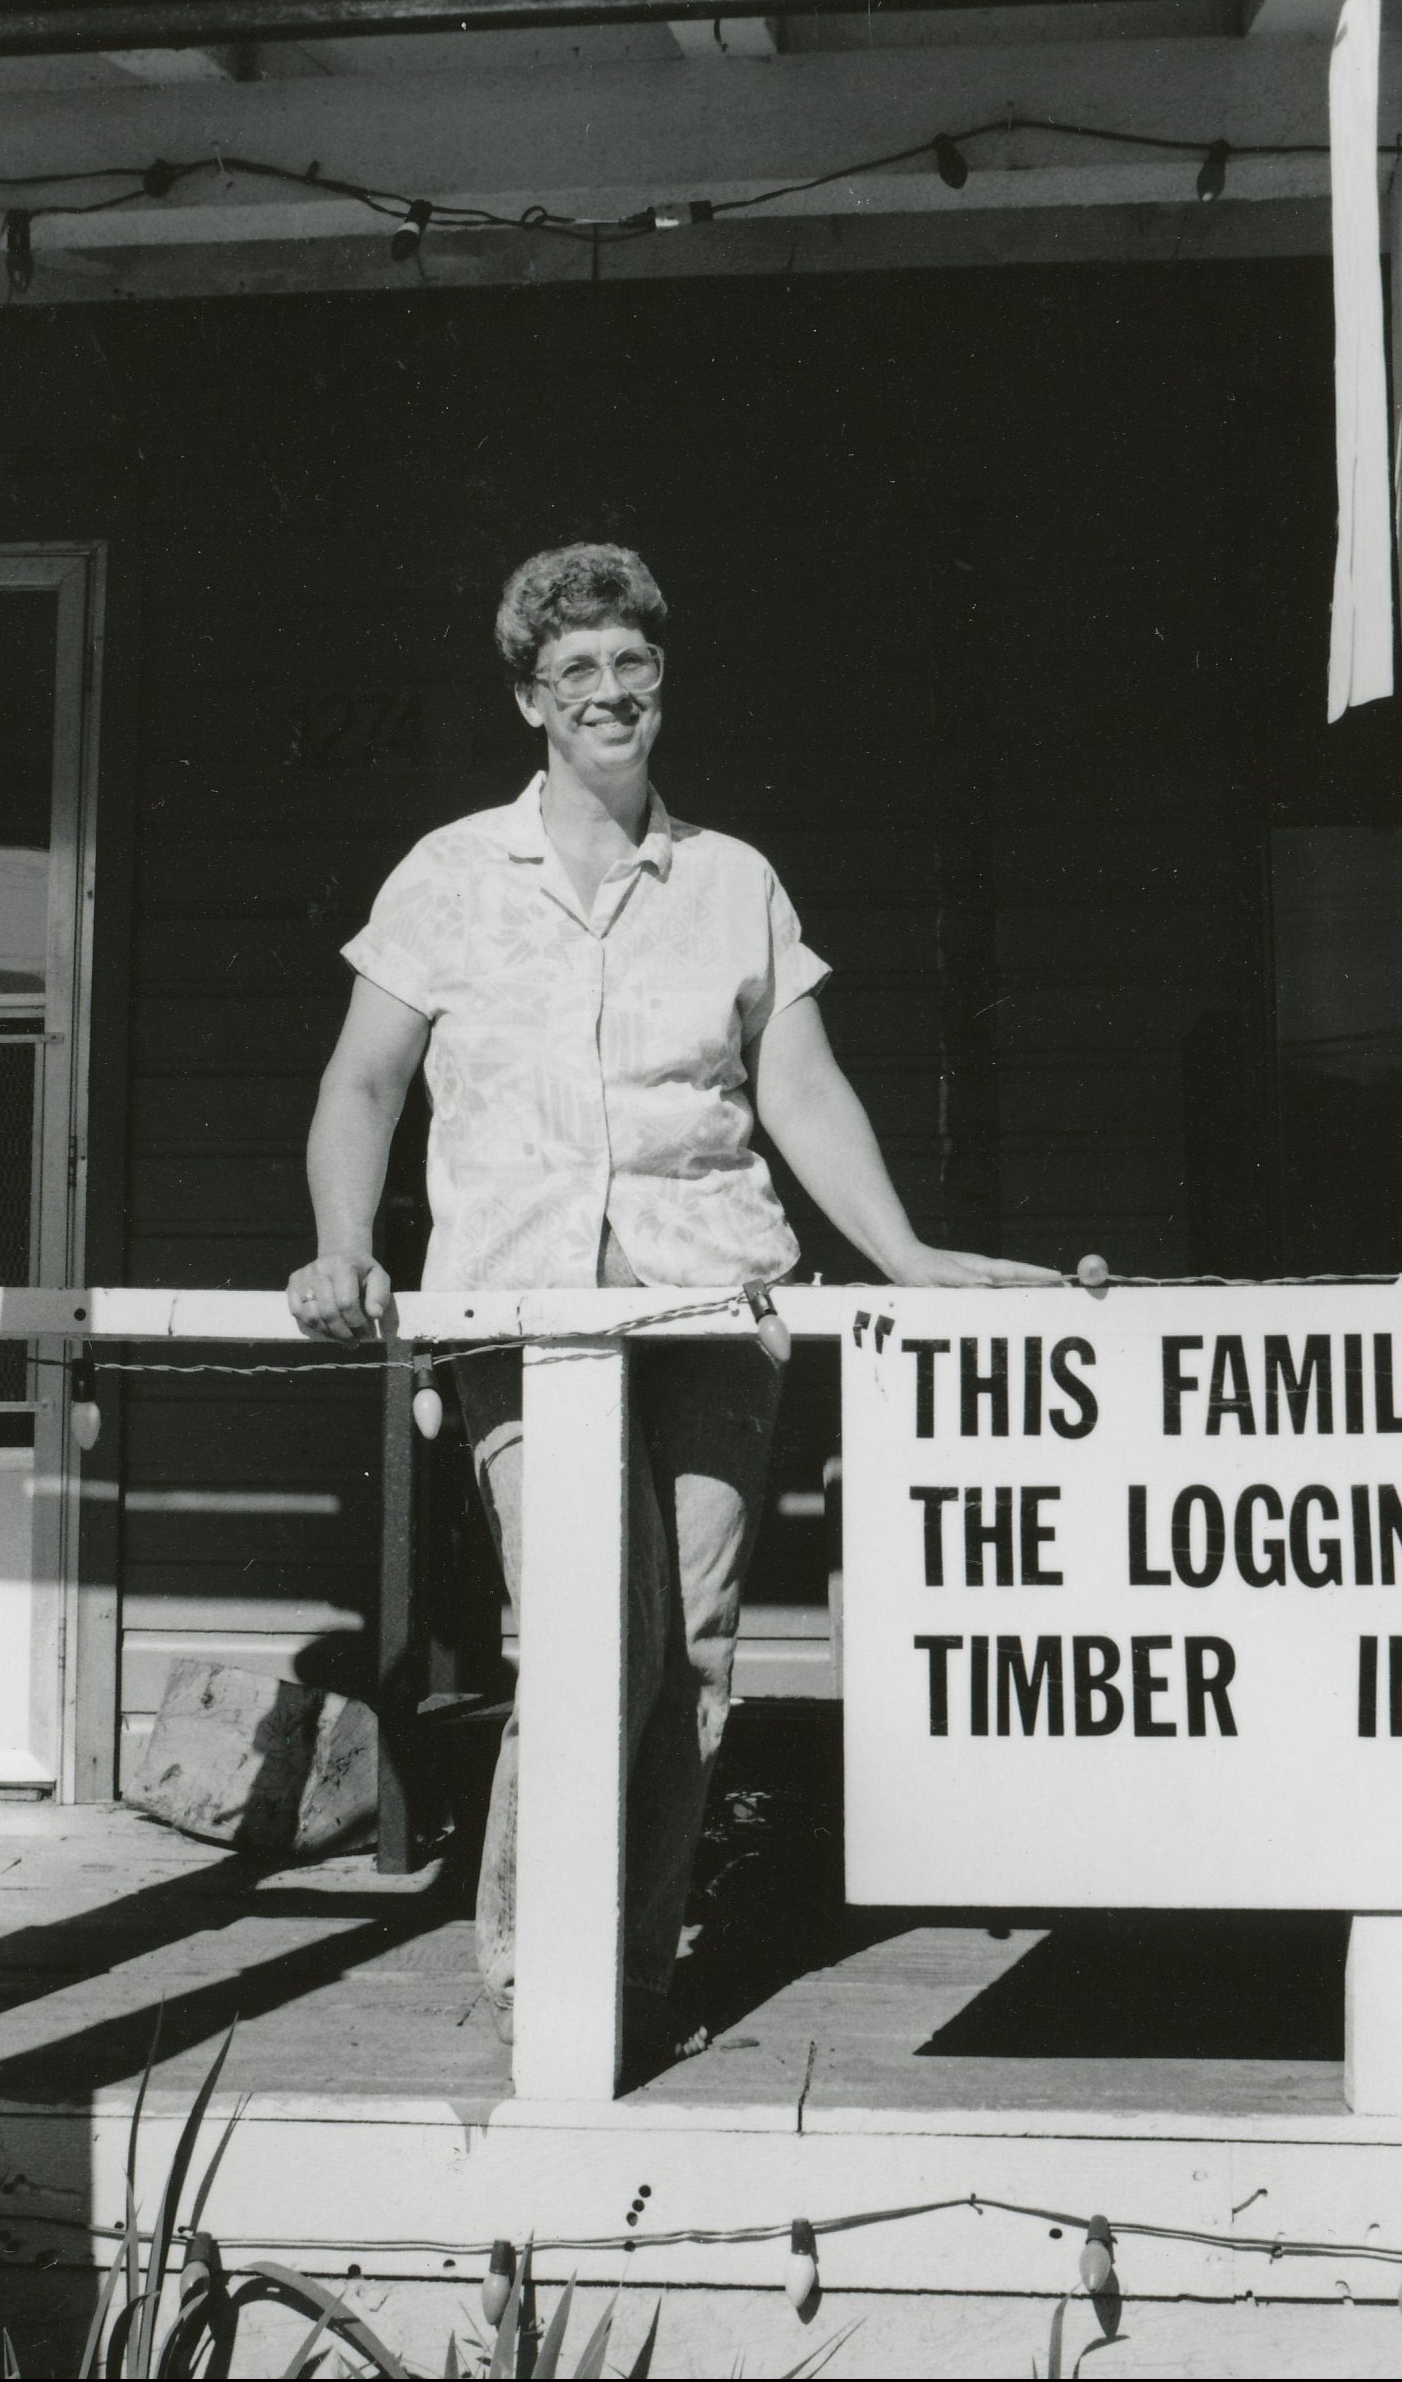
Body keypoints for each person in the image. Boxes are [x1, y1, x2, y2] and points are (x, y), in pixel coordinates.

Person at [289, 542, 1052, 2071]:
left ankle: (625, 1973)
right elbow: (362, 1084)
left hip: (713, 1300)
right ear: (530, 700)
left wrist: (901, 1252)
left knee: (690, 1649)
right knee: (589, 1635)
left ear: (660, 683)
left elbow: (801, 1088)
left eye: (631, 665)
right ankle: (534, 1969)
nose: (609, 692)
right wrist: (338, 1242)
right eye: (575, 671)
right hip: (522, 1308)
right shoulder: (449, 876)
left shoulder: (732, 880)